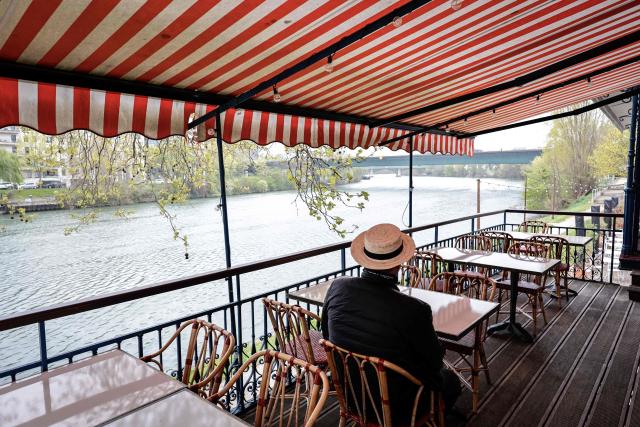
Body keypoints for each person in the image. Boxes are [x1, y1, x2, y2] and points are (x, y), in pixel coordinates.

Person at [321, 223, 460, 422]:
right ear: (398, 264)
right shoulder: (414, 309)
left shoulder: (338, 287)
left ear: (365, 258)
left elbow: (327, 334)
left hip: (351, 395)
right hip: (398, 407)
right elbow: (434, 362)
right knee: (451, 381)